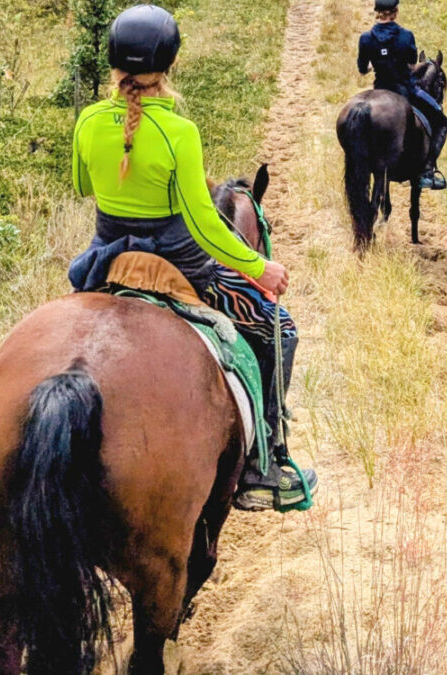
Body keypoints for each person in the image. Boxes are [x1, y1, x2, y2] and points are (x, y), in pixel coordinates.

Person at [70, 4, 317, 511]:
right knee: (281, 330)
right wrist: (259, 267)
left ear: (113, 61)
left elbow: (80, 184)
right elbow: (205, 224)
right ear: (170, 64)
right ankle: (262, 467)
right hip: (184, 268)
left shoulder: (89, 119)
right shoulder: (179, 132)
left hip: (105, 260)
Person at [357, 0, 447, 190]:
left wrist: (373, 65)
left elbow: (362, 68)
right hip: (405, 90)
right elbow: (411, 64)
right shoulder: (406, 36)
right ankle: (428, 171)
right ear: (396, 12)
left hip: (379, 89)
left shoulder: (365, 39)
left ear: (377, 13)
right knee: (442, 121)